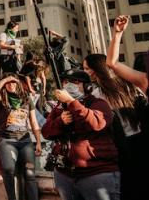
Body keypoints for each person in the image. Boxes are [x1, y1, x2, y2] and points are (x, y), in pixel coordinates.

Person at [42, 68, 120, 200]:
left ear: (87, 87)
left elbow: (96, 123)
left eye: (75, 82)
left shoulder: (98, 103)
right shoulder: (59, 108)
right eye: (66, 82)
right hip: (65, 173)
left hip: (96, 173)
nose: (69, 85)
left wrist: (72, 103)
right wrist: (60, 121)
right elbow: (46, 132)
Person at [83, 52, 145, 200]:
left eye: (86, 69)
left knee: (126, 186)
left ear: (95, 69)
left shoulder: (97, 93)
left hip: (120, 145)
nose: (85, 72)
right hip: (140, 139)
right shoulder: (125, 83)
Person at [0, 74, 42, 200]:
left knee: (30, 174)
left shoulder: (26, 99)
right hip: (7, 140)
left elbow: (34, 122)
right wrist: (6, 79)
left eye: (13, 82)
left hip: (25, 141)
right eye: (8, 83)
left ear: (18, 84)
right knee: (8, 169)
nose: (11, 85)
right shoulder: (2, 98)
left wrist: (38, 142)